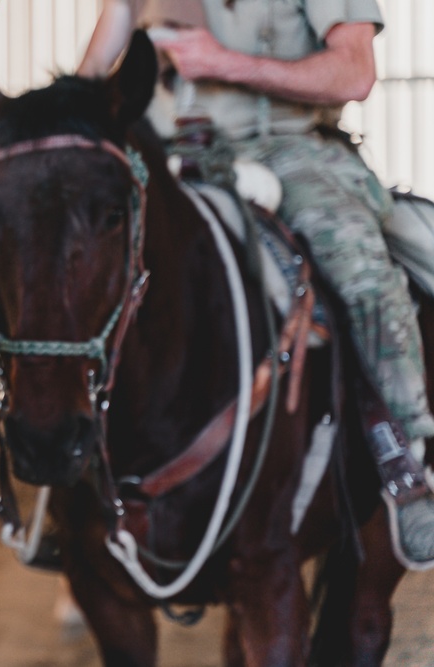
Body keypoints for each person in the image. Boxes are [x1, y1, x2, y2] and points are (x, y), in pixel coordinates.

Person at [78, 0, 434, 569]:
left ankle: (405, 461)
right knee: (57, 253)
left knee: (363, 274)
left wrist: (227, 62)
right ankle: (63, 481)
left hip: (286, 152)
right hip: (166, 154)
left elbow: (356, 72)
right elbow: (93, 72)